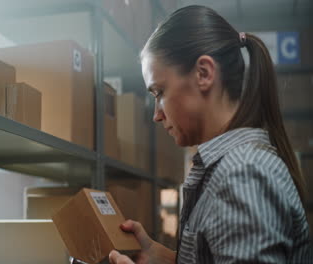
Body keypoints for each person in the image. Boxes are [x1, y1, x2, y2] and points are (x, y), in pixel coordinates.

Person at [109, 5, 312, 264]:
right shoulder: (230, 169)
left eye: (159, 92)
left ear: (203, 73)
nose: (156, 115)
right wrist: (168, 259)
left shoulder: (243, 174)